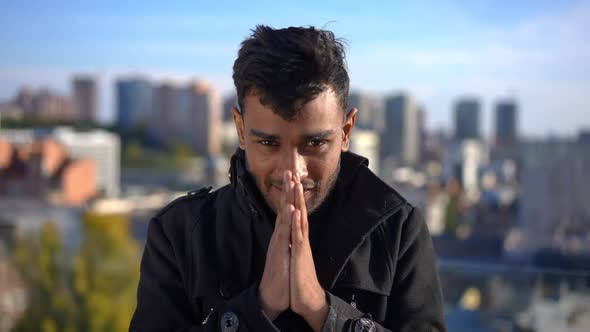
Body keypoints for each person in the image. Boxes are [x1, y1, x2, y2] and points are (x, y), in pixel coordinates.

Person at [129, 25, 446, 332]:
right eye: (268, 143)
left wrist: (323, 312)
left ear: (346, 131)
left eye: (314, 143)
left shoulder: (397, 232)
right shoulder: (181, 234)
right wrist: (258, 307)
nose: (293, 170)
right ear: (241, 130)